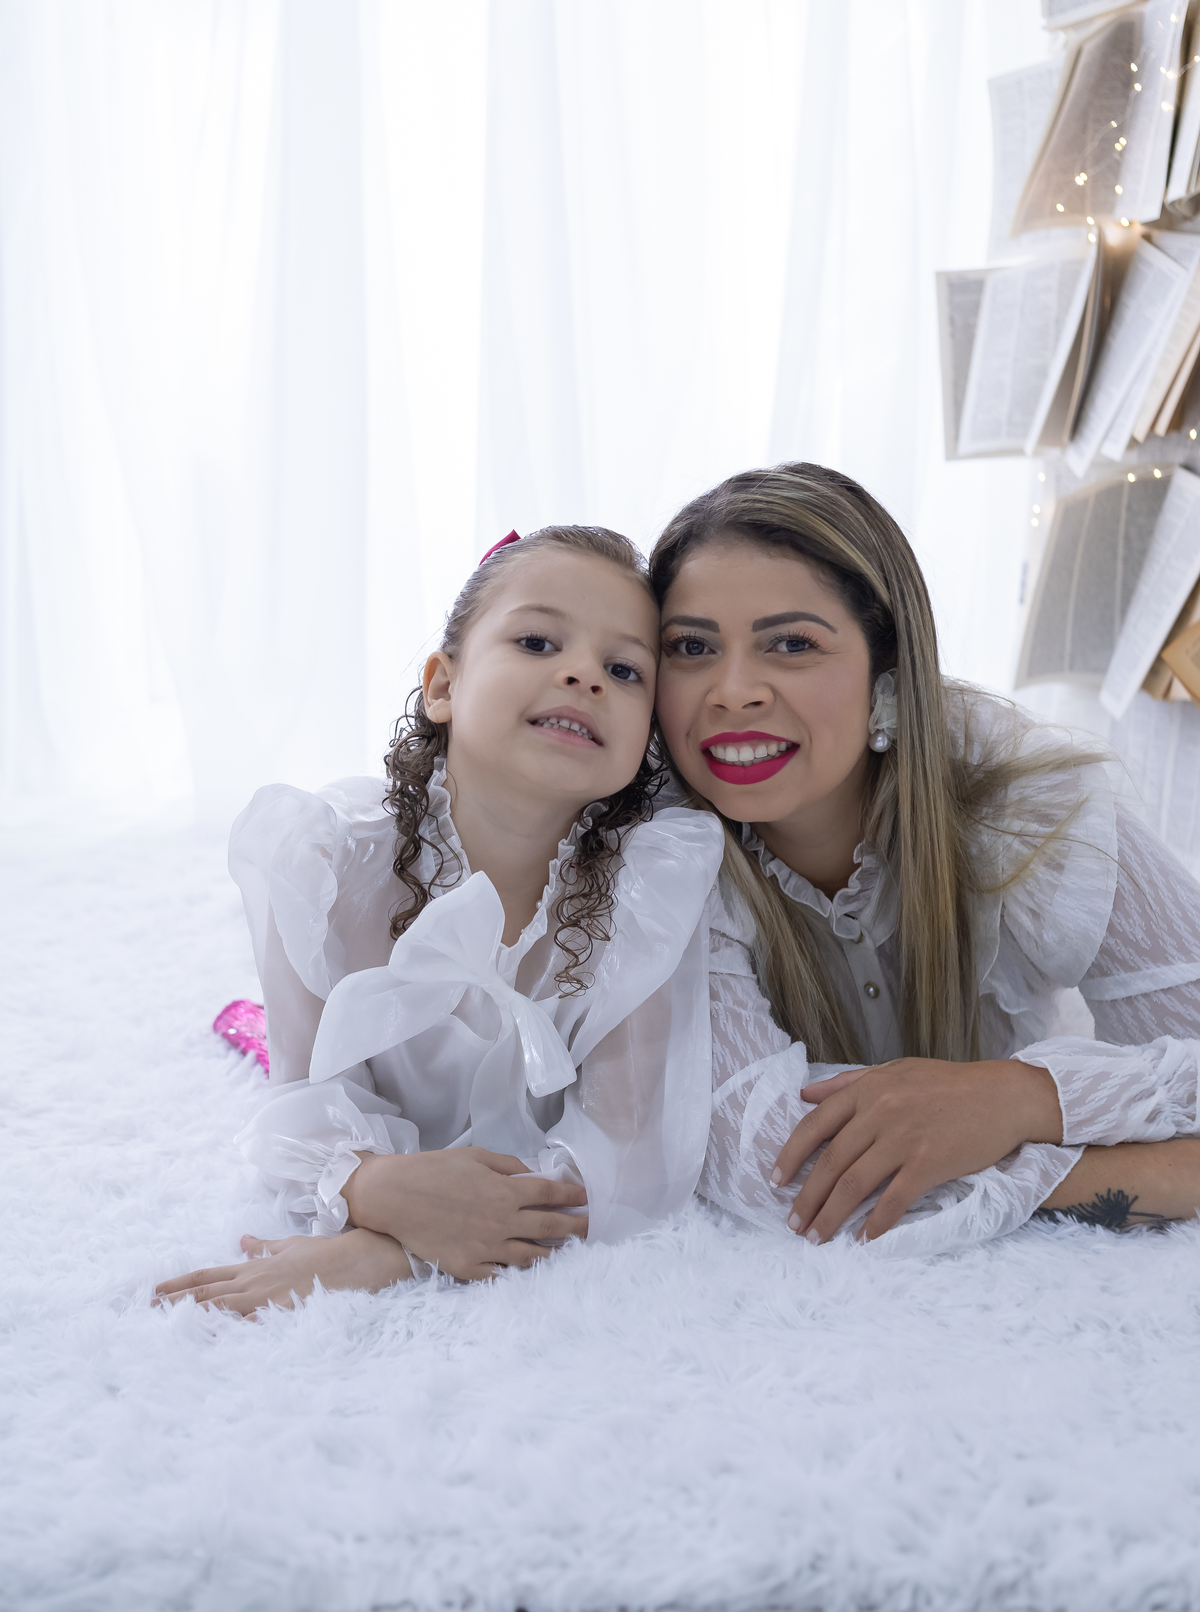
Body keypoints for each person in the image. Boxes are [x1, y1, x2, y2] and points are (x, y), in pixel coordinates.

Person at [156, 525, 725, 1312]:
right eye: (536, 640)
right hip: (352, 1080)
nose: (582, 674)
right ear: (443, 686)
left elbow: (632, 1159)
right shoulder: (322, 862)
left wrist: (386, 1254)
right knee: (278, 1045)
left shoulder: (647, 890)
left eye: (623, 669)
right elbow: (299, 1114)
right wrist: (375, 1186)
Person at [651, 462, 1200, 1250]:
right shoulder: (656, 859)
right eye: (692, 647)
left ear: (886, 674)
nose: (733, 691)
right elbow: (780, 1173)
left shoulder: (1029, 802)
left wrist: (1021, 1098)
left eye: (793, 644)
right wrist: (1136, 1167)